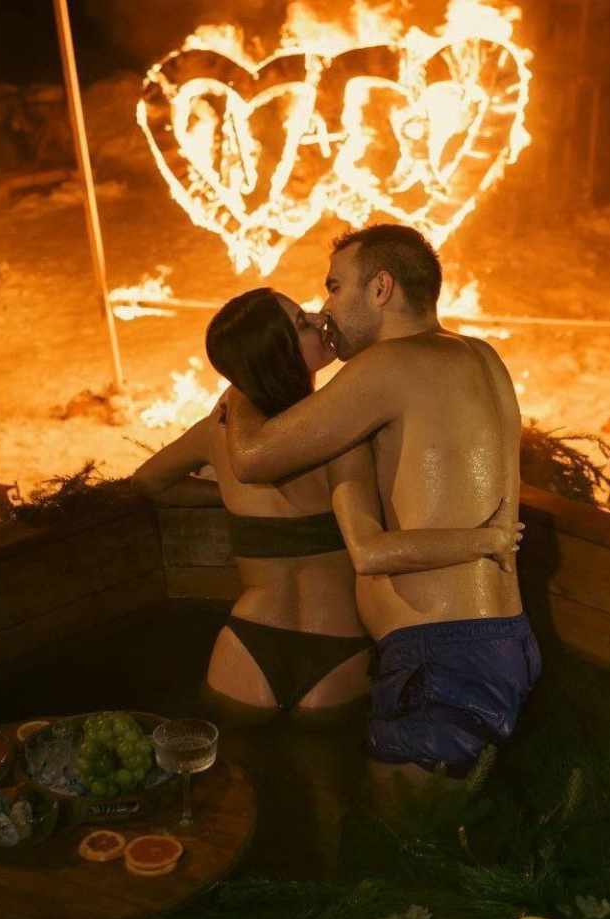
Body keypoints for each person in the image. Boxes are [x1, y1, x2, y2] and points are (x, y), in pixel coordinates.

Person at [224, 225, 541, 781]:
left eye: (334, 286)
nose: (325, 308)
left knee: (406, 830)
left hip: (439, 652)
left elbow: (251, 457)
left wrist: (241, 388)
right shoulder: (482, 356)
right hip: (501, 639)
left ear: (380, 289)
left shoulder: (388, 365)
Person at [133, 287, 522, 722]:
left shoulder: (216, 433)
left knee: (231, 761)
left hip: (246, 642)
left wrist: (224, 493)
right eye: (302, 323)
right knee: (330, 763)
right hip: (338, 647)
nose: (321, 318)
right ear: (279, 355)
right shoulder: (341, 436)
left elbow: (149, 482)